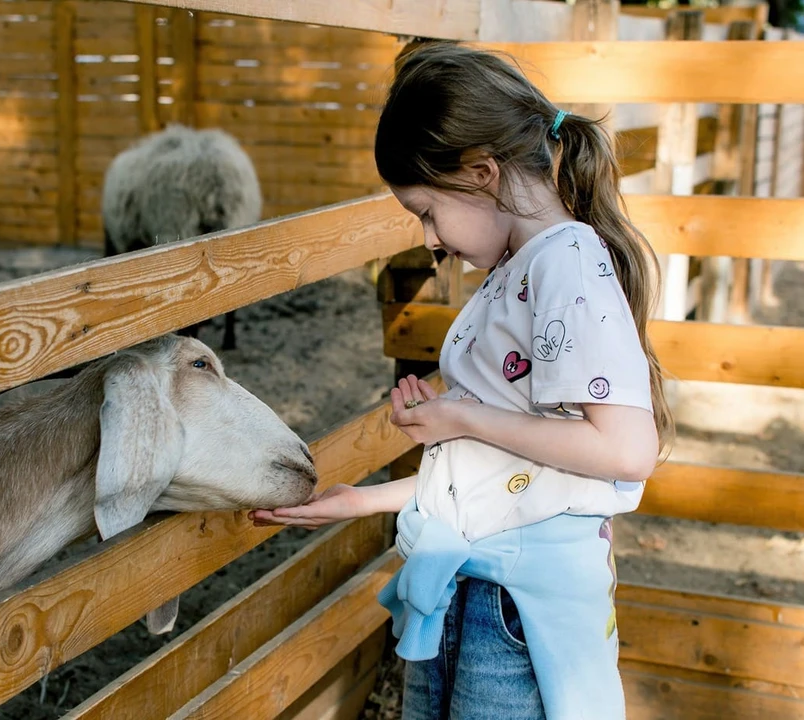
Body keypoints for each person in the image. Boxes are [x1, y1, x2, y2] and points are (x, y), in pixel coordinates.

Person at [249, 41, 674, 720]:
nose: (429, 238)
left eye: (425, 210)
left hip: (515, 607)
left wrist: (462, 417)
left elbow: (627, 450)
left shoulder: (563, 264)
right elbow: (506, 473)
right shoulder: (518, 269)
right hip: (475, 580)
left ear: (480, 173)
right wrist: (360, 501)